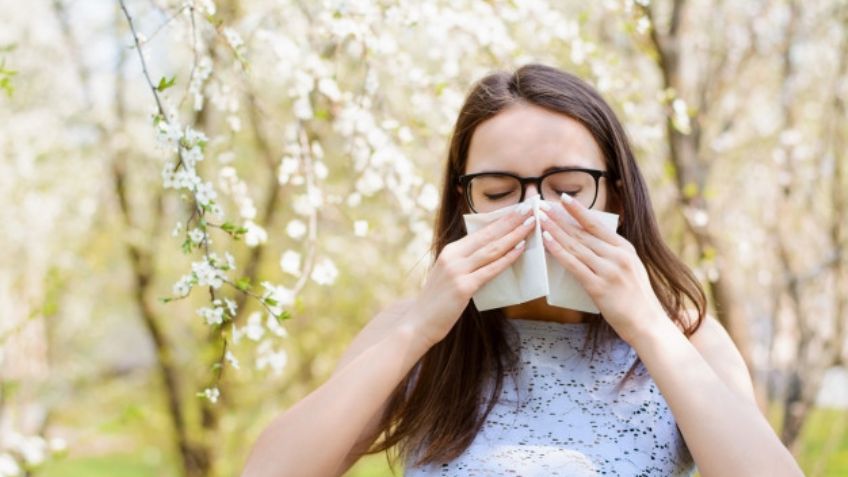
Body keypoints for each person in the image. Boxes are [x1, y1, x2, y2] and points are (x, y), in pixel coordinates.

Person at [240, 64, 804, 477]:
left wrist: (648, 327)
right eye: (499, 191)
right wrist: (419, 330)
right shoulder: (415, 333)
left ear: (618, 197)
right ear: (465, 204)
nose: (536, 215)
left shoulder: (684, 333)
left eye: (566, 189)